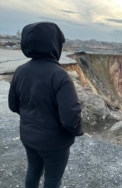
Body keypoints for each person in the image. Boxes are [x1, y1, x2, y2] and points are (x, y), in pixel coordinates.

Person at [8, 22, 84, 188]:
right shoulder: (60, 76)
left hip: (28, 137)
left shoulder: (20, 71)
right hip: (55, 143)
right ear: (54, 44)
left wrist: (32, 117)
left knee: (33, 171)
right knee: (52, 180)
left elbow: (13, 105)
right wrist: (77, 131)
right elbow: (70, 116)